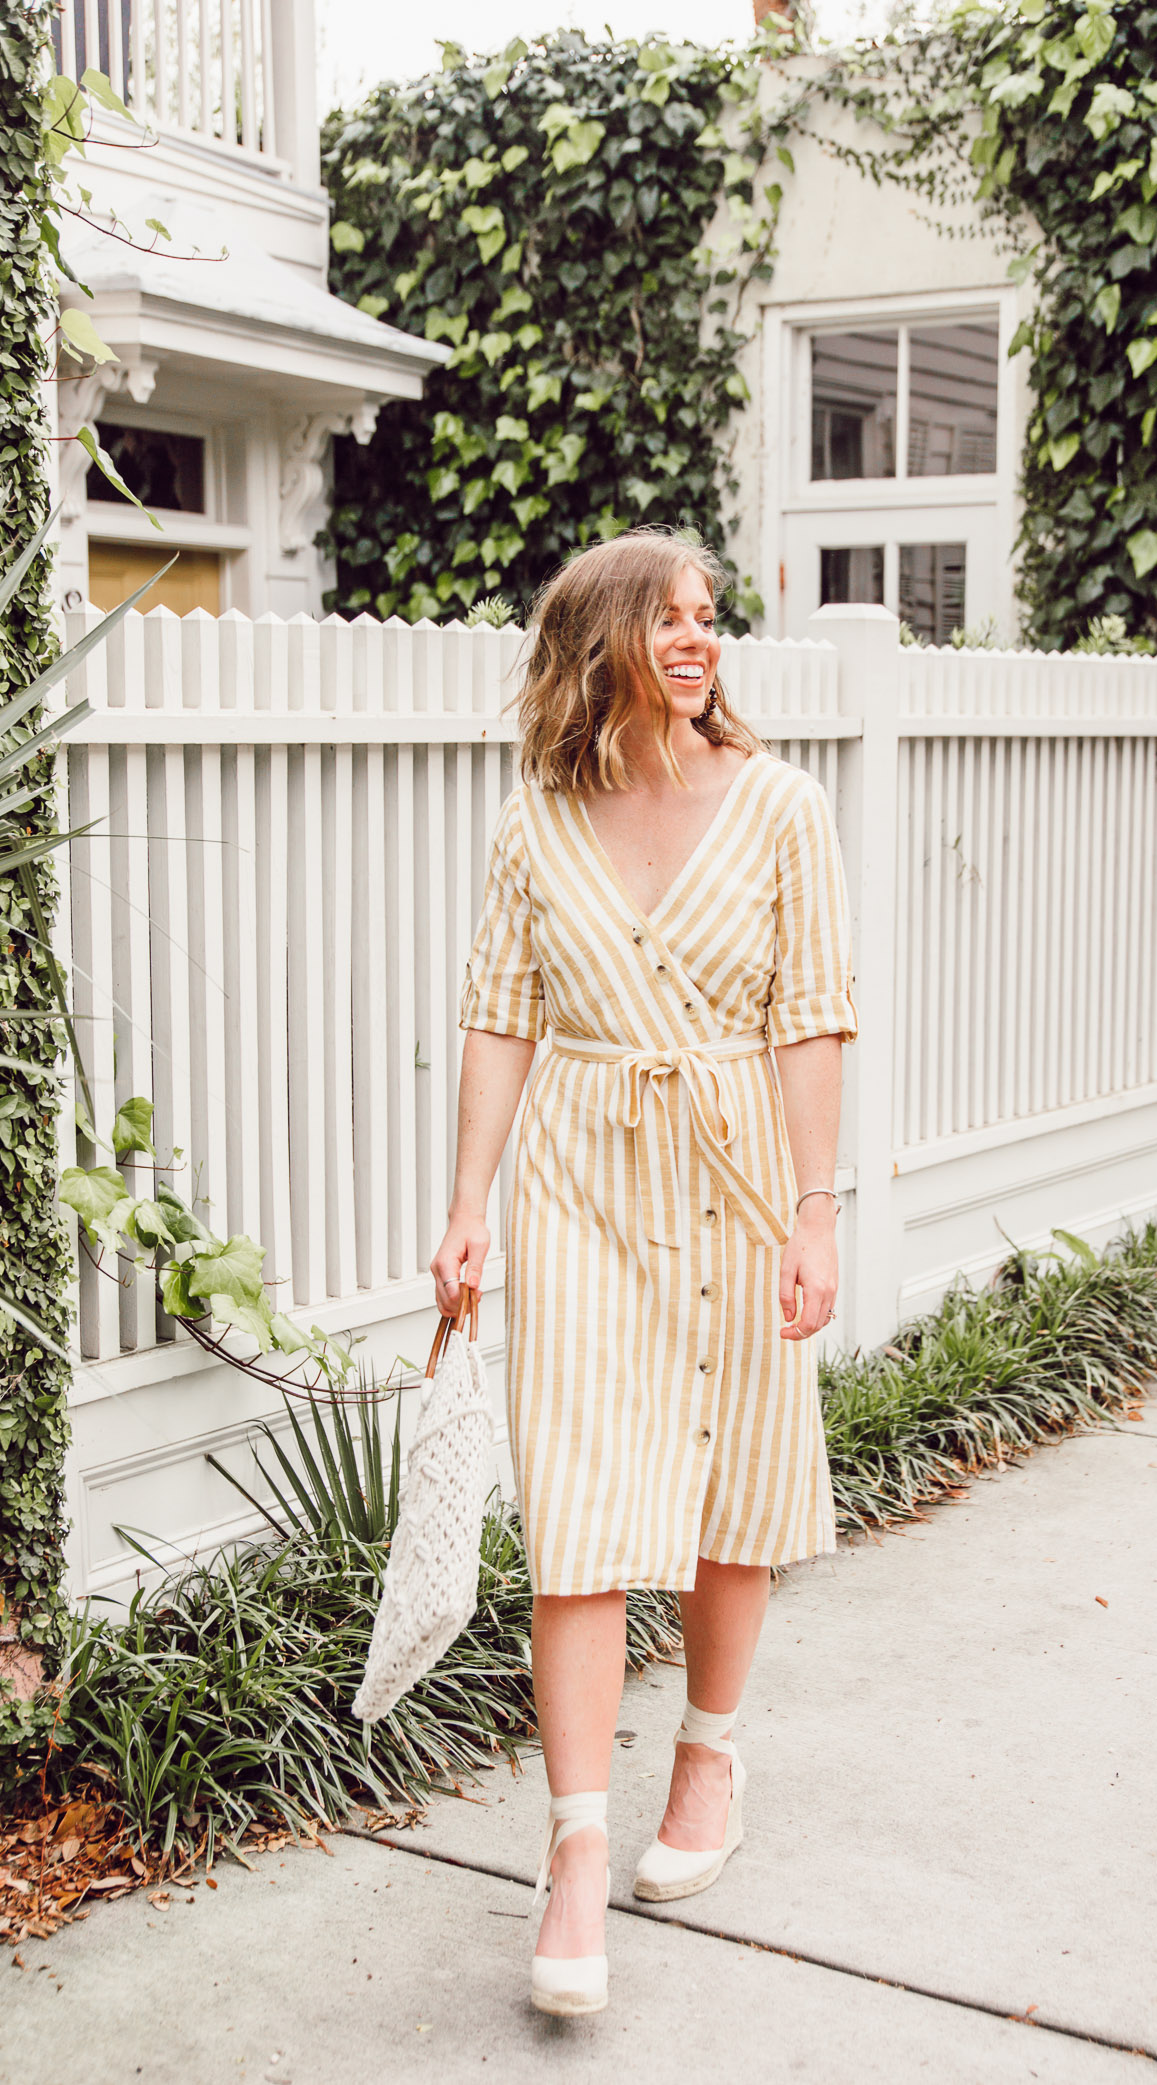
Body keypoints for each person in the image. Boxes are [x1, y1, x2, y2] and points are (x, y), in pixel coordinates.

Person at [429, 527, 858, 2017]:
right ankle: (570, 1850)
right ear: (596, 643)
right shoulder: (533, 818)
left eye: (709, 619)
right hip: (581, 1183)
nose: (698, 640)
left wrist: (816, 1211)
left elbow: (812, 1018)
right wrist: (466, 1201)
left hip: (738, 1170)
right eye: (667, 620)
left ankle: (707, 1756)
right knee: (583, 1513)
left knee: (734, 1471)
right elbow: (498, 1014)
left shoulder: (785, 808)